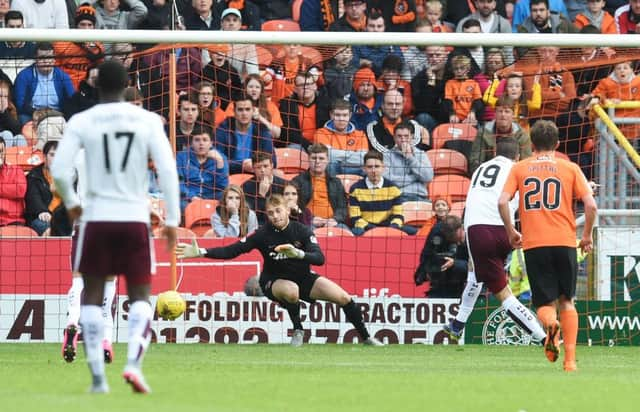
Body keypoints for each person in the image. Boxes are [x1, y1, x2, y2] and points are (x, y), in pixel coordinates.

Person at [51, 60, 180, 393]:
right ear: (126, 86)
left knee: (92, 296)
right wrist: (174, 220)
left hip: (95, 218)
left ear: (95, 86)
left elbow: (61, 172)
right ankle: (133, 365)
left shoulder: (81, 121)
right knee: (140, 296)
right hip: (134, 217)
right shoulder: (148, 120)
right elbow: (167, 171)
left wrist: (72, 204)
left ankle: (96, 377)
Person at [176, 194, 384, 347]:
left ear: (287, 210)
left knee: (344, 297)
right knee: (291, 291)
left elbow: (319, 259)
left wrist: (298, 254)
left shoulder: (301, 230)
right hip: (273, 281)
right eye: (270, 213)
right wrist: (201, 252)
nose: (274, 216)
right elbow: (233, 250)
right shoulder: (262, 234)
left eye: (278, 211)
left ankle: (366, 337)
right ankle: (298, 330)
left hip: (303, 277)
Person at [498, 120, 597, 372]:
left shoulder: (520, 168)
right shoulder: (570, 168)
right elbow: (591, 206)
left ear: (531, 145)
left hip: (534, 244)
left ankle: (550, 324)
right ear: (558, 144)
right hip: (565, 242)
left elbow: (502, 201)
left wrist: (511, 231)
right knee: (567, 301)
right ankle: (570, 362)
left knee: (544, 304)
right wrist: (586, 236)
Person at [441, 138, 546, 344]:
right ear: (517, 155)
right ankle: (457, 325)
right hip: (504, 230)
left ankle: (544, 337)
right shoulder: (518, 168)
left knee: (503, 294)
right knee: (474, 272)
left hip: (478, 230)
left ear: (494, 152)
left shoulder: (481, 168)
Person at [348, 150, 415, 236]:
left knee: (415, 232)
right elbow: (355, 218)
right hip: (366, 228)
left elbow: (398, 216)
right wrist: (374, 230)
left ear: (383, 167)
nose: (373, 170)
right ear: (364, 169)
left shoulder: (393, 188)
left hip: (389, 227)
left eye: (377, 166)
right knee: (356, 232)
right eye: (369, 167)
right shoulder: (355, 189)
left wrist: (392, 228)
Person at [292, 143, 349, 230]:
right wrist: (311, 218)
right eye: (314, 158)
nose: (317, 161)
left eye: (321, 158)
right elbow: (293, 205)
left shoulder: (336, 182)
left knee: (346, 232)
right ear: (308, 159)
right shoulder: (297, 181)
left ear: (327, 160)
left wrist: (335, 219)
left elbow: (342, 207)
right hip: (308, 223)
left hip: (332, 223)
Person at [413, 214, 469, 298]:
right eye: (451, 237)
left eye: (455, 237)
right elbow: (426, 256)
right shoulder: (436, 232)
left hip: (466, 281)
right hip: (440, 285)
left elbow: (479, 266)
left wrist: (455, 263)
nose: (456, 241)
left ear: (461, 228)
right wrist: (427, 271)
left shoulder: (473, 232)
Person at [176, 124, 229, 211]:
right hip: (189, 196)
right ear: (191, 143)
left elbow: (223, 186)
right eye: (197, 140)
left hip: (211, 195)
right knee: (180, 205)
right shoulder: (182, 156)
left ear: (211, 143)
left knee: (227, 200)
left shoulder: (220, 157)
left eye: (205, 140)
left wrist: (220, 163)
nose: (201, 143)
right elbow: (179, 182)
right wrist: (192, 197)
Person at [383, 121, 434, 202]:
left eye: (406, 136)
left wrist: (410, 158)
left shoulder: (421, 154)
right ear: (394, 138)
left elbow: (428, 177)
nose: (403, 140)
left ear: (412, 137)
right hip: (398, 197)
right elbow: (388, 181)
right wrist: (415, 177)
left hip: (420, 197)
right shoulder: (386, 155)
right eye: (399, 136)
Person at [242, 151, 287, 226]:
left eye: (265, 166)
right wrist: (261, 195)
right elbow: (250, 216)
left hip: (281, 222)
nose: (262, 170)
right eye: (258, 167)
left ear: (272, 166)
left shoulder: (284, 184)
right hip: (259, 225)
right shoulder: (246, 187)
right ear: (253, 169)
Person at [25, 141, 59, 235]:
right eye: (52, 155)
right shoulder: (33, 175)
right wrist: (42, 211)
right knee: (49, 228)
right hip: (39, 217)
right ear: (44, 157)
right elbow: (33, 197)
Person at [0, 135, 27, 227]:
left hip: (13, 220)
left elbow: (20, 191)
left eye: (1, 151)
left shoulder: (16, 169)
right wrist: (8, 190)